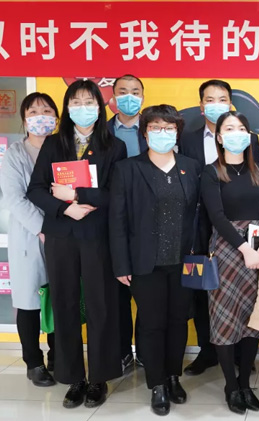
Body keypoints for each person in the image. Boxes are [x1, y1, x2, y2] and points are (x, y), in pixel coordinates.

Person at [27, 79, 126, 409]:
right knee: (65, 305)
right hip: (61, 236)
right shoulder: (54, 144)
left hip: (97, 237)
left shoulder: (114, 146)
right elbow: (36, 189)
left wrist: (77, 194)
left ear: (100, 107)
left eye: (89, 102)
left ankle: (99, 377)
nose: (83, 108)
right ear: (67, 108)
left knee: (101, 306)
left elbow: (116, 195)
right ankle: (73, 378)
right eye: (76, 102)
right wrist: (65, 208)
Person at [109, 105, 201, 416]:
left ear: (177, 132)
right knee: (151, 323)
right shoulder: (128, 169)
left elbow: (199, 215)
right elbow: (117, 221)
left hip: (184, 261)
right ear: (145, 133)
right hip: (145, 263)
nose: (163, 133)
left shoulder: (190, 167)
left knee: (178, 321)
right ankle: (157, 383)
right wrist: (121, 264)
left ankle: (173, 376)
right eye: (156, 127)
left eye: (169, 128)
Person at [180, 79, 259, 377]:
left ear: (230, 103)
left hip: (239, 229)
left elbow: (253, 185)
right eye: (210, 99)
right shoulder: (187, 139)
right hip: (200, 226)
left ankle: (242, 355)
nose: (217, 104)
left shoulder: (249, 142)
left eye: (223, 99)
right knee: (206, 292)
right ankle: (207, 351)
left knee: (245, 295)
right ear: (201, 106)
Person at [200, 111, 259, 415]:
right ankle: (231, 386)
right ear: (219, 138)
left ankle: (245, 383)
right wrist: (244, 248)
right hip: (227, 250)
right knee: (225, 319)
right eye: (229, 129)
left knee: (252, 319)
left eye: (241, 128)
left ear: (249, 135)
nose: (236, 133)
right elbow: (216, 217)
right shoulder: (211, 172)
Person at [1, 92, 59, 387]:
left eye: (46, 110)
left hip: (62, 233)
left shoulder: (63, 149)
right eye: (33, 112)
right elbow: (14, 198)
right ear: (24, 120)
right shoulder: (15, 153)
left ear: (56, 119)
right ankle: (33, 362)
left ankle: (59, 356)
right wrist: (41, 228)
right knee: (29, 301)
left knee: (61, 297)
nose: (40, 116)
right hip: (28, 236)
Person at [107, 73, 148, 372]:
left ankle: (145, 351)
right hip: (109, 220)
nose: (129, 97)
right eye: (123, 91)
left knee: (148, 295)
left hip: (148, 222)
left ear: (143, 97)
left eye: (135, 91)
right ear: (113, 98)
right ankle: (122, 351)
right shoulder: (101, 132)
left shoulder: (155, 130)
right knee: (115, 294)